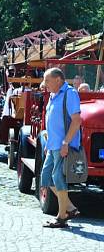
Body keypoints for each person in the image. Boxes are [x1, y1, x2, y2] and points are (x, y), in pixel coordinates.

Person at [40, 68, 82, 228]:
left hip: (63, 144)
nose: (45, 84)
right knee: (47, 177)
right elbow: (53, 121)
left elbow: (76, 120)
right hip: (53, 145)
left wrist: (66, 142)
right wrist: (49, 143)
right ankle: (70, 208)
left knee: (57, 177)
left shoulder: (69, 93)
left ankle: (62, 216)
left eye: (47, 81)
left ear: (58, 80)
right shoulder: (53, 95)